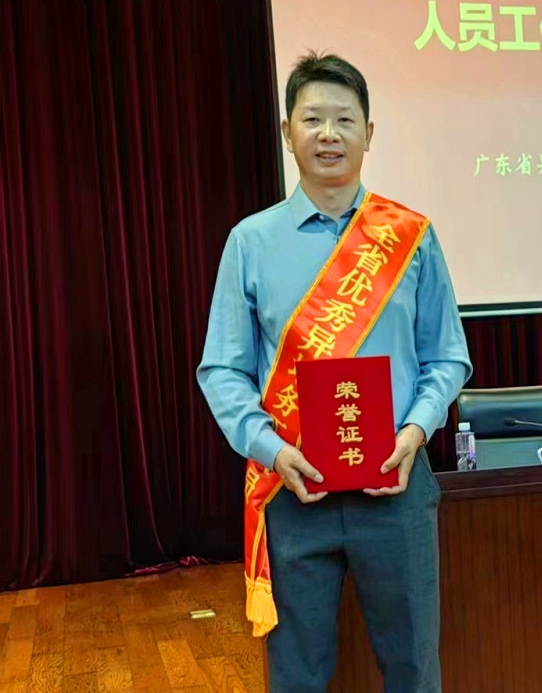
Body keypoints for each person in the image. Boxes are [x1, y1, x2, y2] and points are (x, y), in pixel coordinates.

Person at [197, 50, 472, 693]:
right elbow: (223, 370)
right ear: (286, 131)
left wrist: (414, 432)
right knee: (296, 675)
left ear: (368, 134)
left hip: (396, 486)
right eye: (312, 118)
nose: (328, 134)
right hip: (294, 490)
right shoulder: (250, 242)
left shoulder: (410, 235)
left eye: (344, 120)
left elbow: (447, 356)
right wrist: (272, 448)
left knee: (414, 671)